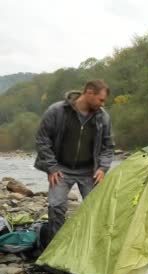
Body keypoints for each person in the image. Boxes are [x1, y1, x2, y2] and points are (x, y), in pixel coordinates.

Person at [34, 80, 114, 245]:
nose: (103, 104)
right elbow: (42, 140)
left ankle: (91, 247)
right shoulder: (57, 111)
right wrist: (51, 167)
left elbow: (108, 146)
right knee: (56, 207)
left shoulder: (103, 116)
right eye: (101, 99)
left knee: (98, 208)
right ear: (89, 93)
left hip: (89, 171)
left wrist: (103, 168)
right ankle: (55, 248)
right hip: (61, 169)